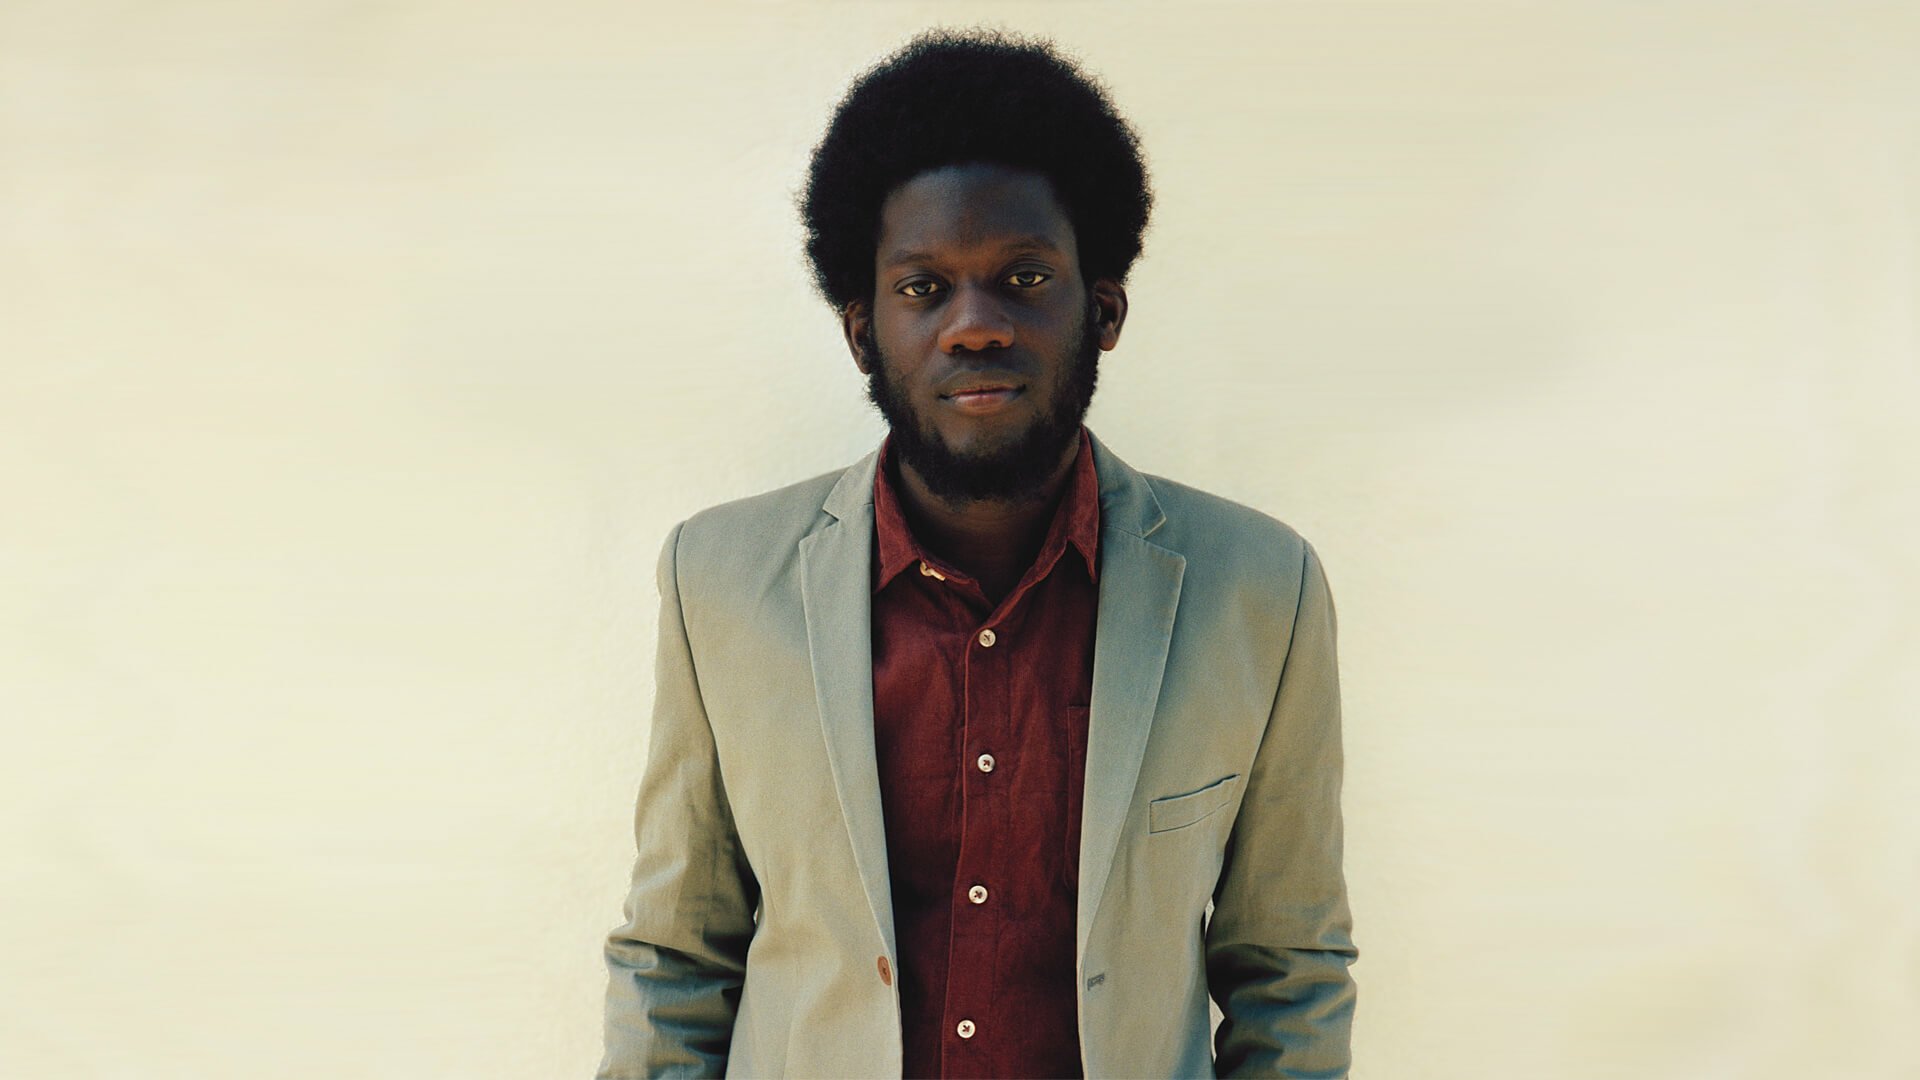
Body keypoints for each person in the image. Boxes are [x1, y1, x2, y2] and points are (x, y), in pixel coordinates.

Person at [598, 28, 1357, 1079]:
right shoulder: (717, 581)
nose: (975, 327)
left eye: (1024, 277)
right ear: (862, 332)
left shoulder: (1260, 590)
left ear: (1103, 311)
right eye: (923, 289)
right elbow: (677, 957)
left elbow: (1289, 967)